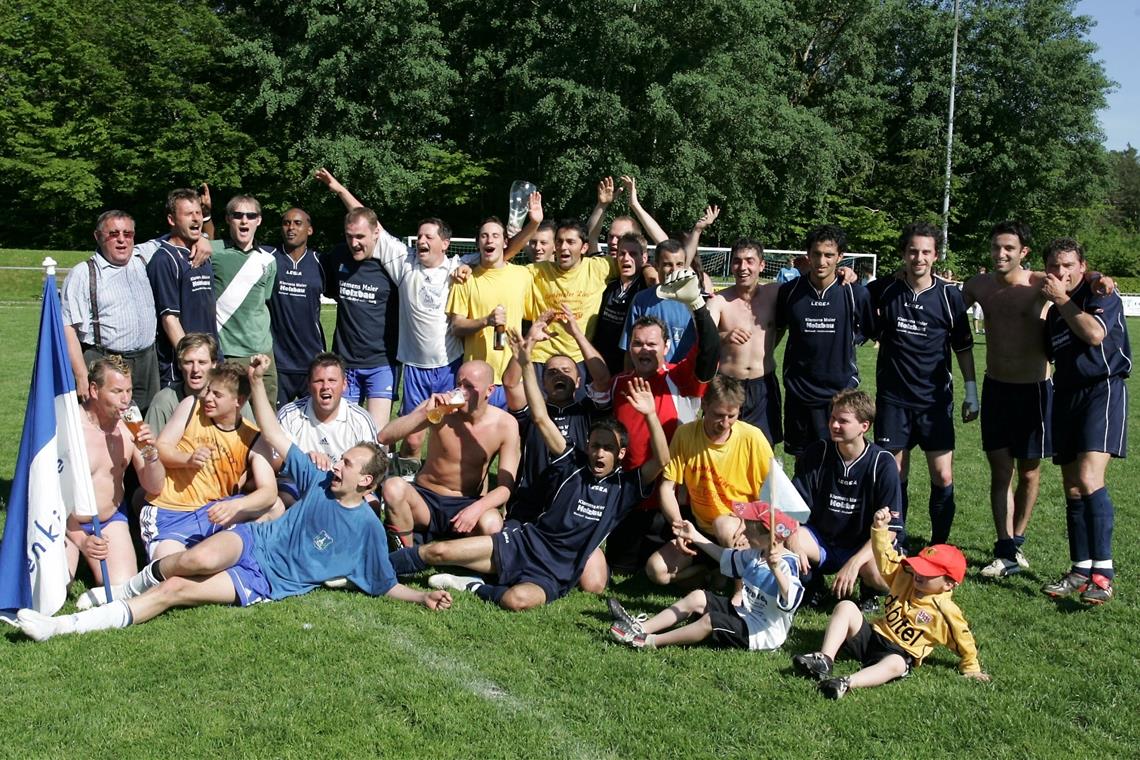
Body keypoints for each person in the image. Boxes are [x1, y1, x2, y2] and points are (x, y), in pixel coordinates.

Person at [19, 356, 451, 642]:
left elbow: (384, 583)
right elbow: (276, 433)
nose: (338, 465)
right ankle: (122, 592)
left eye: (349, 465)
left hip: (268, 580)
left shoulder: (367, 531)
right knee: (196, 560)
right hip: (252, 540)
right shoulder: (317, 478)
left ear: (369, 483)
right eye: (341, 460)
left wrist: (422, 597)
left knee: (174, 590)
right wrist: (259, 384)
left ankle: (61, 628)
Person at [389, 333, 670, 611]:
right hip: (524, 543)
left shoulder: (625, 487)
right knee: (437, 551)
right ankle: (377, 570)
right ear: (587, 446)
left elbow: (662, 459)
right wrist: (526, 364)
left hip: (557, 568)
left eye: (608, 448)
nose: (599, 453)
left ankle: (473, 585)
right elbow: (539, 417)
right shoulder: (574, 461)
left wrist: (650, 415)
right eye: (595, 446)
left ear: (621, 454)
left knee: (516, 600)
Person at [792, 507, 989, 699]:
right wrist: (880, 529)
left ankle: (846, 682)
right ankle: (824, 659)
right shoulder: (905, 575)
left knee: (897, 664)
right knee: (846, 607)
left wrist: (971, 667)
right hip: (873, 636)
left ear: (949, 584)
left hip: (897, 653)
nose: (919, 574)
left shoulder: (945, 611)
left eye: (928, 573)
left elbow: (963, 639)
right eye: (920, 568)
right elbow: (886, 557)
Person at [867, 223, 978, 546]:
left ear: (935, 255)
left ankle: (939, 545)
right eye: (913, 251)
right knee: (895, 476)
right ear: (904, 253)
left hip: (934, 403)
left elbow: (963, 347)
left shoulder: (948, 296)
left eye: (926, 252)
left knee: (942, 476)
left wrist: (971, 392)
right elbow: (855, 297)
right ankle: (895, 543)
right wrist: (847, 278)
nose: (919, 257)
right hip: (894, 400)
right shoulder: (884, 289)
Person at [605, 268, 721, 573]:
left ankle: (713, 566)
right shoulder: (620, 384)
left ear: (666, 347)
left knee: (660, 569)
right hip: (631, 500)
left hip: (672, 500)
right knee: (619, 567)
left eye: (652, 344)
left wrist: (697, 305)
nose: (644, 350)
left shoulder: (679, 378)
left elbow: (709, 352)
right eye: (638, 343)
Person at [1039, 238, 1131, 605]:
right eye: (1055, 266)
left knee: (1091, 478)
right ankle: (1080, 568)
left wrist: (1063, 297)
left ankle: (1103, 575)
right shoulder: (1054, 311)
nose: (1061, 273)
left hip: (1101, 390)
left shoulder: (1100, 295)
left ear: (1082, 266)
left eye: (1069, 265)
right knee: (1073, 488)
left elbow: (1094, 335)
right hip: (1065, 394)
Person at [961, 221, 1050, 577]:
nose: (1001, 254)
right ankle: (1004, 547)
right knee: (1001, 471)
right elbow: (943, 303)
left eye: (1009, 248)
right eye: (997, 247)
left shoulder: (1040, 282)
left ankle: (1019, 540)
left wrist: (1099, 279)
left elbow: (1081, 276)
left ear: (1023, 252)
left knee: (1029, 473)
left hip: (1035, 391)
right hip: (996, 387)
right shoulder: (979, 285)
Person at [608, 502, 804, 651]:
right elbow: (725, 557)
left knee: (710, 620)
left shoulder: (788, 564)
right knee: (698, 597)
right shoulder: (756, 553)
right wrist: (694, 536)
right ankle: (641, 627)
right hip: (745, 613)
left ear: (767, 535)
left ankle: (650, 641)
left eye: (750, 526)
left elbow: (792, 601)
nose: (743, 530)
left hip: (760, 633)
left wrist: (776, 569)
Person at [644, 375, 774, 588]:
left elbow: (773, 493)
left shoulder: (753, 438)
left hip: (739, 529)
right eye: (718, 415)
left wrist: (747, 524)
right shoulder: (686, 434)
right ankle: (712, 574)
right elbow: (667, 487)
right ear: (704, 404)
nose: (724, 423)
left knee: (723, 525)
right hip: (700, 531)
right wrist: (680, 526)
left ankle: (738, 595)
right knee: (656, 570)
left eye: (731, 416)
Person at [140, 362, 278, 561]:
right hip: (171, 512)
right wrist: (188, 458)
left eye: (217, 395)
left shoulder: (252, 437)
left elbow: (269, 492)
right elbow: (161, 447)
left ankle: (244, 551)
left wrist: (236, 506)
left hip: (213, 513)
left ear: (238, 401)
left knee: (276, 507)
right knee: (170, 567)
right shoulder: (191, 407)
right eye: (208, 391)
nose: (208, 398)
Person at [378, 360, 521, 545]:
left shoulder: (505, 424)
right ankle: (406, 553)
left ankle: (457, 558)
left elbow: (505, 487)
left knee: (492, 523)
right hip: (426, 500)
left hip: (466, 503)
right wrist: (424, 414)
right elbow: (384, 437)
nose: (462, 391)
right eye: (459, 385)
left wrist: (477, 509)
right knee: (393, 487)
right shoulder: (441, 409)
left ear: (490, 390)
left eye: (470, 387)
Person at [785, 390, 902, 606]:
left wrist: (855, 563)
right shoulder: (817, 453)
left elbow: (891, 530)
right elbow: (790, 509)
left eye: (843, 421)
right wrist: (793, 544)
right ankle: (812, 583)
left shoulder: (883, 463)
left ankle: (869, 591)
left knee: (882, 576)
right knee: (784, 541)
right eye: (832, 418)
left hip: (863, 546)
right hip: (823, 540)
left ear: (864, 427)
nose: (834, 425)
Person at [501, 309, 612, 523]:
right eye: (551, 372)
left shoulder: (587, 411)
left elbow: (603, 379)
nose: (559, 374)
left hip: (573, 505)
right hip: (529, 503)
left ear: (579, 383)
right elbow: (510, 383)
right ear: (542, 383)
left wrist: (577, 334)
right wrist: (530, 339)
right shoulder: (531, 410)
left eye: (566, 371)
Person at [775, 225, 875, 459]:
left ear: (840, 257)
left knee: (835, 460)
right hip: (799, 391)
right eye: (817, 254)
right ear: (807, 255)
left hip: (839, 393)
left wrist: (848, 340)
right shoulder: (789, 292)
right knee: (802, 461)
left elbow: (870, 328)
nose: (822, 261)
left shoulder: (854, 293)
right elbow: (777, 328)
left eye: (829, 255)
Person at [66, 357, 165, 586]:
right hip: (67, 522)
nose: (126, 400)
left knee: (121, 587)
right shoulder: (70, 428)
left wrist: (150, 453)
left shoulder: (129, 428)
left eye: (129, 391)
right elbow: (49, 498)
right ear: (93, 389)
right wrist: (81, 540)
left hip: (109, 519)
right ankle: (74, 555)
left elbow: (155, 486)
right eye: (117, 391)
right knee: (54, 589)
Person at [62, 211, 161, 411]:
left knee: (144, 429)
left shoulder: (143, 257)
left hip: (147, 362)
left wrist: (203, 231)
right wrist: (81, 375)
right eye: (113, 234)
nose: (122, 240)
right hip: (105, 362)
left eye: (128, 234)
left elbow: (181, 236)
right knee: (105, 426)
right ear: (98, 237)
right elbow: (67, 328)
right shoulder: (83, 273)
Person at [447, 211, 539, 408]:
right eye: (484, 236)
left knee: (513, 437)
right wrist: (485, 321)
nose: (489, 240)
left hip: (513, 379)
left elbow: (534, 314)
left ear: (505, 242)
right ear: (478, 243)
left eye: (495, 235)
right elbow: (456, 326)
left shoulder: (523, 275)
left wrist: (535, 222)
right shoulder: (465, 279)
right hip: (476, 380)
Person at [706, 238, 783, 445]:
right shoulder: (719, 301)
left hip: (763, 385)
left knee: (763, 449)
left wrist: (845, 273)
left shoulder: (775, 293)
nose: (743, 267)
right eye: (737, 261)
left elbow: (809, 285)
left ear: (762, 265)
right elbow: (702, 340)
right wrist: (724, 337)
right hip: (727, 384)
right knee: (721, 445)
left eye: (749, 261)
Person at [147, 188, 220, 389]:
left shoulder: (201, 251)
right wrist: (190, 360)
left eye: (198, 213)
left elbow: (209, 235)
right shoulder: (164, 260)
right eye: (188, 214)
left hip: (209, 359)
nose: (196, 219)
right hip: (183, 369)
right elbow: (169, 319)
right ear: (172, 220)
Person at [211, 194, 278, 401]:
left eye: (250, 215)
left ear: (259, 220)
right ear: (228, 219)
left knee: (266, 416)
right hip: (228, 351)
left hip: (263, 352)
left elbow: (264, 300)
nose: (244, 220)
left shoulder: (268, 261)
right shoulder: (213, 251)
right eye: (238, 215)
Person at [270, 206, 326, 407]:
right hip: (277, 363)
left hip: (311, 361)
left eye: (297, 223)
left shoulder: (320, 263)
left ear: (309, 230)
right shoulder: (269, 258)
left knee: (313, 425)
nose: (291, 228)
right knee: (272, 427)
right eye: (286, 223)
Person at [620, 240, 697, 363]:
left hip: (683, 378)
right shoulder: (641, 300)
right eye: (668, 264)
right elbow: (629, 349)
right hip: (649, 378)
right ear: (656, 265)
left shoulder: (695, 301)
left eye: (679, 264)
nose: (674, 270)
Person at [592, 232, 650, 374]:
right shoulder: (607, 286)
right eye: (622, 253)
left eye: (633, 254)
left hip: (629, 368)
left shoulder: (646, 289)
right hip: (600, 365)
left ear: (644, 258)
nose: (626, 259)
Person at [144, 333, 219, 434]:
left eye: (202, 362)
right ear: (179, 364)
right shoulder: (164, 401)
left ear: (214, 364)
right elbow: (149, 447)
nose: (195, 369)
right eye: (189, 362)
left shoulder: (230, 396)